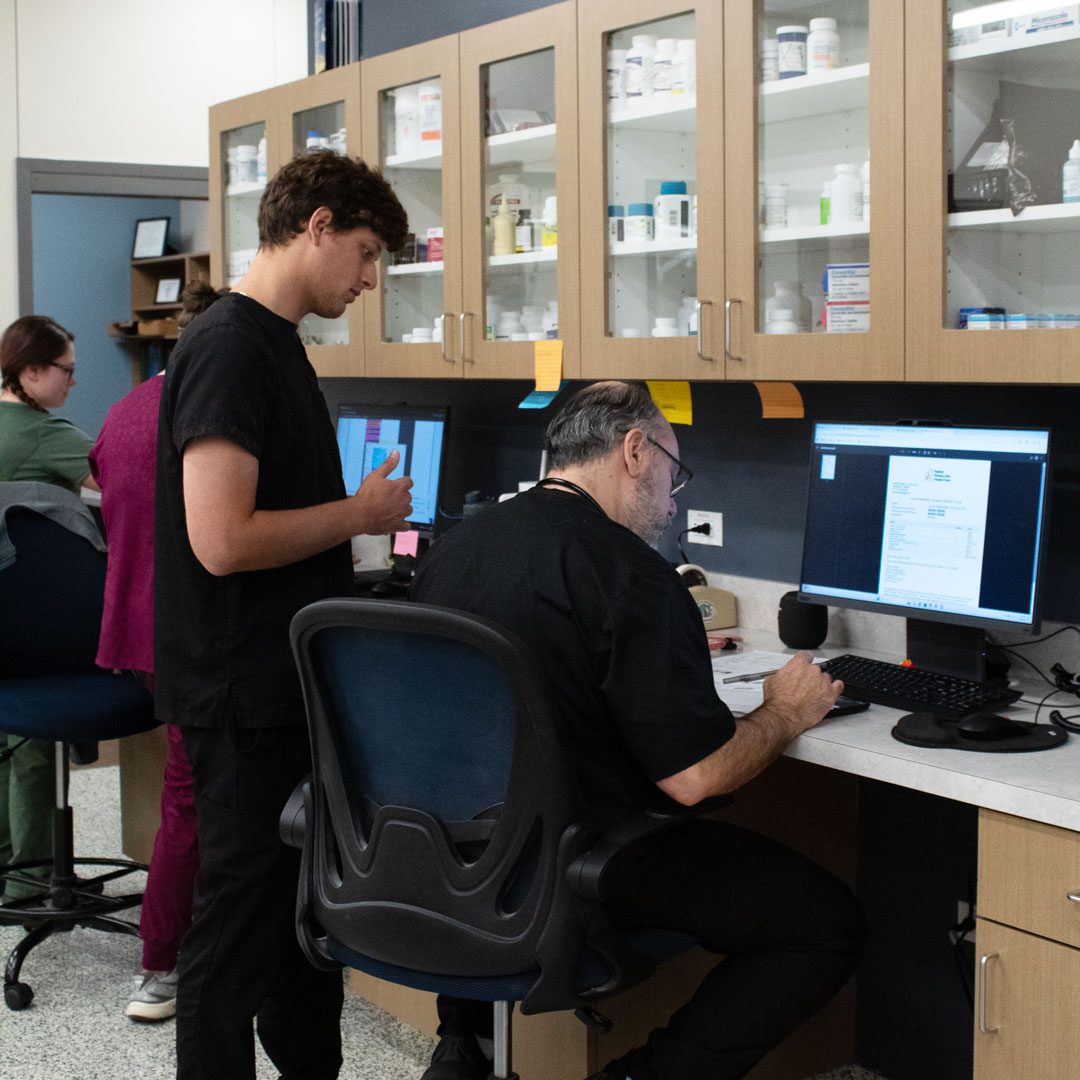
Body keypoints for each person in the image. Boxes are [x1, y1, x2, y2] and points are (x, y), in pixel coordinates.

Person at [410, 380, 866, 1080]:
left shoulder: (456, 545)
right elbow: (696, 777)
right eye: (674, 472)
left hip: (451, 853)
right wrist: (783, 710)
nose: (674, 497)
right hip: (584, 862)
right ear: (633, 452)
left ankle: (463, 1044)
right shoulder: (632, 576)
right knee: (825, 923)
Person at [154, 149, 412, 1080]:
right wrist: (362, 516)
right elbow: (221, 539)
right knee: (235, 933)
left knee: (303, 922)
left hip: (280, 684)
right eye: (367, 251)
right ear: (317, 227)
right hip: (241, 690)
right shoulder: (229, 345)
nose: (371, 278)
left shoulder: (274, 344)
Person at [88, 282, 226, 1022]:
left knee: (189, 790)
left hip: (139, 629)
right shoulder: (210, 414)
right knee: (192, 798)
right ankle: (162, 965)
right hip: (189, 632)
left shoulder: (123, 412)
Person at [0, 314, 98, 899]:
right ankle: (33, 885)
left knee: (5, 737)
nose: (71, 384)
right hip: (34, 633)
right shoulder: (43, 433)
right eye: (66, 371)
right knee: (34, 748)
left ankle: (9, 870)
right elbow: (127, 479)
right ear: (31, 372)